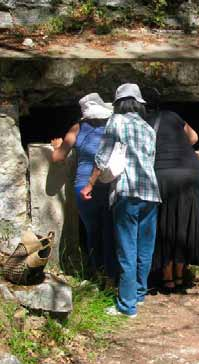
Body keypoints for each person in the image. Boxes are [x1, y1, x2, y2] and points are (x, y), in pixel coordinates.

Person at [80, 83, 161, 318]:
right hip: (151, 193)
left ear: (118, 104)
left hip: (127, 191)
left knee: (127, 248)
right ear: (138, 103)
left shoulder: (115, 122)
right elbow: (150, 159)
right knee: (145, 247)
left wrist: (90, 184)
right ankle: (138, 293)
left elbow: (103, 157)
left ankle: (126, 306)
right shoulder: (148, 128)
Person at [145, 90, 199, 293]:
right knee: (185, 223)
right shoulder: (172, 116)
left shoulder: (141, 121)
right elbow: (194, 137)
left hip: (163, 173)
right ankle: (181, 275)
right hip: (192, 172)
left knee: (165, 224)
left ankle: (167, 278)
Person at [51, 93, 116, 282]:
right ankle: (112, 274)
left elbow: (58, 158)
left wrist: (57, 146)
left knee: (92, 231)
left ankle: (97, 273)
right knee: (110, 229)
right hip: (108, 184)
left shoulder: (77, 128)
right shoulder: (112, 126)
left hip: (83, 185)